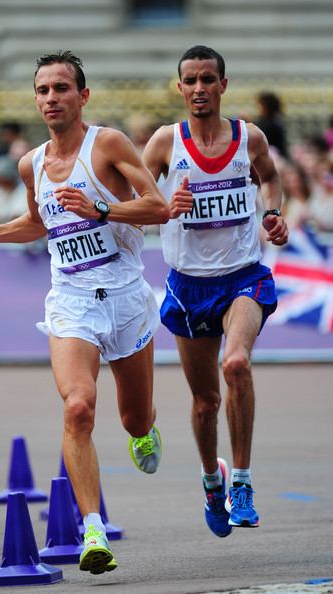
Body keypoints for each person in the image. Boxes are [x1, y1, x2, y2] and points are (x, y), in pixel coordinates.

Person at [0, 50, 169, 574]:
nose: (51, 98)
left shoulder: (107, 144)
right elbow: (40, 223)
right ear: (35, 100)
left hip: (125, 296)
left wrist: (101, 208)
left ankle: (146, 427)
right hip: (71, 300)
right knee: (78, 406)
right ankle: (93, 532)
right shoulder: (29, 163)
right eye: (42, 90)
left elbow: (158, 206)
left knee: (134, 418)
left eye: (61, 88)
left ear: (83, 96)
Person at [143, 45, 288, 537]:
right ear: (180, 88)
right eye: (191, 80)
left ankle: (242, 482)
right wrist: (167, 204)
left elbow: (270, 180)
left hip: (242, 276)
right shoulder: (165, 143)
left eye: (209, 79)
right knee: (205, 401)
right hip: (188, 287)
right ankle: (213, 481)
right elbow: (135, 201)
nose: (200, 88)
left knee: (236, 363)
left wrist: (272, 213)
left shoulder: (250, 137)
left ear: (223, 85)